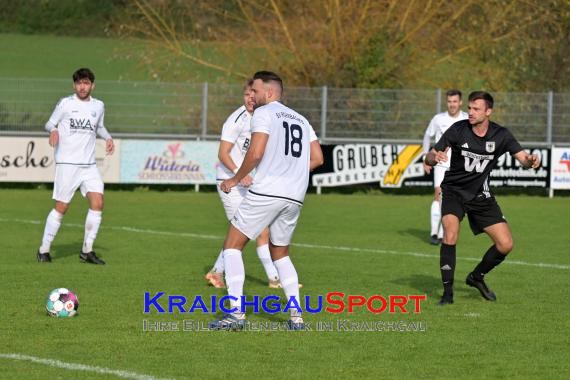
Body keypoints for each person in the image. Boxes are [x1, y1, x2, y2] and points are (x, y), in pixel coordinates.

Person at [209, 71, 324, 330]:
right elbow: (318, 159)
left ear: (270, 92)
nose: (254, 96)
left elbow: (256, 152)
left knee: (232, 246)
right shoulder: (302, 119)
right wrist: (292, 172)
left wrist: (235, 179)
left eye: (257, 91)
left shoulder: (264, 113)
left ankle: (236, 315)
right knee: (280, 253)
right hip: (295, 196)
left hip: (267, 191)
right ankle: (297, 318)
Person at [424, 91, 540, 305]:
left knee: (505, 244)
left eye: (476, 109)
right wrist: (433, 158)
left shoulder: (501, 135)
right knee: (450, 234)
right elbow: (429, 155)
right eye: (469, 108)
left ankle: (476, 277)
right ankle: (447, 294)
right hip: (454, 191)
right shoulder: (458, 129)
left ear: (488, 111)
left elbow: (524, 158)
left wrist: (532, 160)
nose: (470, 112)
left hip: (480, 195)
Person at [205, 78, 301, 289]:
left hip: (248, 181)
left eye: (253, 94)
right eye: (247, 94)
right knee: (252, 232)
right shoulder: (236, 119)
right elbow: (223, 153)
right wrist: (238, 175)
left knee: (248, 232)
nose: (250, 98)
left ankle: (217, 272)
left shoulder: (264, 117)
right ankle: (273, 278)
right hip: (229, 182)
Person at [37, 68, 114, 265]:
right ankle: (44, 250)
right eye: (79, 83)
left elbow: (99, 127)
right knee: (62, 207)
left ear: (92, 85)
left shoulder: (99, 106)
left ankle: (87, 251)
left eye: (86, 83)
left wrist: (108, 137)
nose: (82, 86)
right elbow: (49, 123)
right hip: (67, 164)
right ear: (74, 85)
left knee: (98, 203)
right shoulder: (66, 104)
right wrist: (53, 130)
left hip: (89, 165)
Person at [422, 90, 468, 245]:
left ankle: (443, 233)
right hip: (441, 163)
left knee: (453, 200)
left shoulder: (467, 119)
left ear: (460, 102)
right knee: (438, 194)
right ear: (446, 102)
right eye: (449, 101)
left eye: (455, 101)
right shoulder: (438, 119)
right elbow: (428, 136)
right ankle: (434, 233)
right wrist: (426, 158)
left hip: (460, 166)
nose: (452, 104)